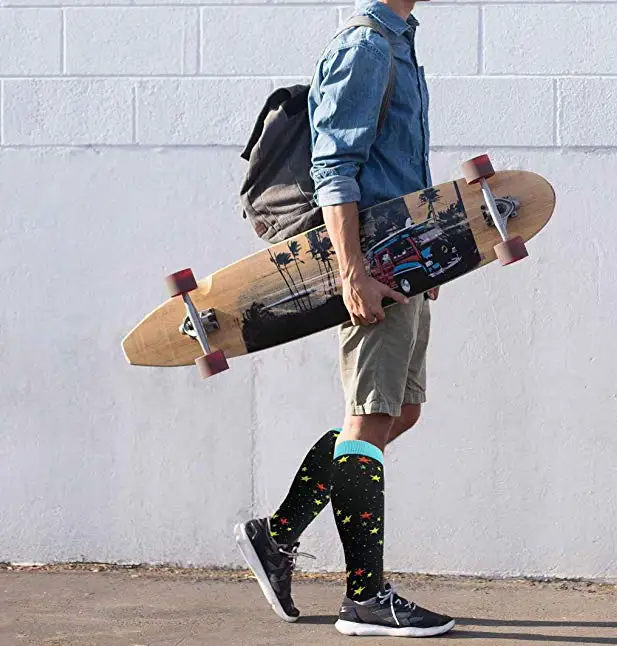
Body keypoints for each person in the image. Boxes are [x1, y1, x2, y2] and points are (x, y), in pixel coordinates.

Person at [235, 0, 455, 637]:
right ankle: (364, 598)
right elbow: (334, 166)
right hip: (373, 265)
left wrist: (430, 256)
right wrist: (352, 271)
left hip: (403, 260)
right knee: (369, 417)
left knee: (399, 412)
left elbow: (400, 167)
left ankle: (277, 535)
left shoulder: (399, 42)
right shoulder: (366, 47)